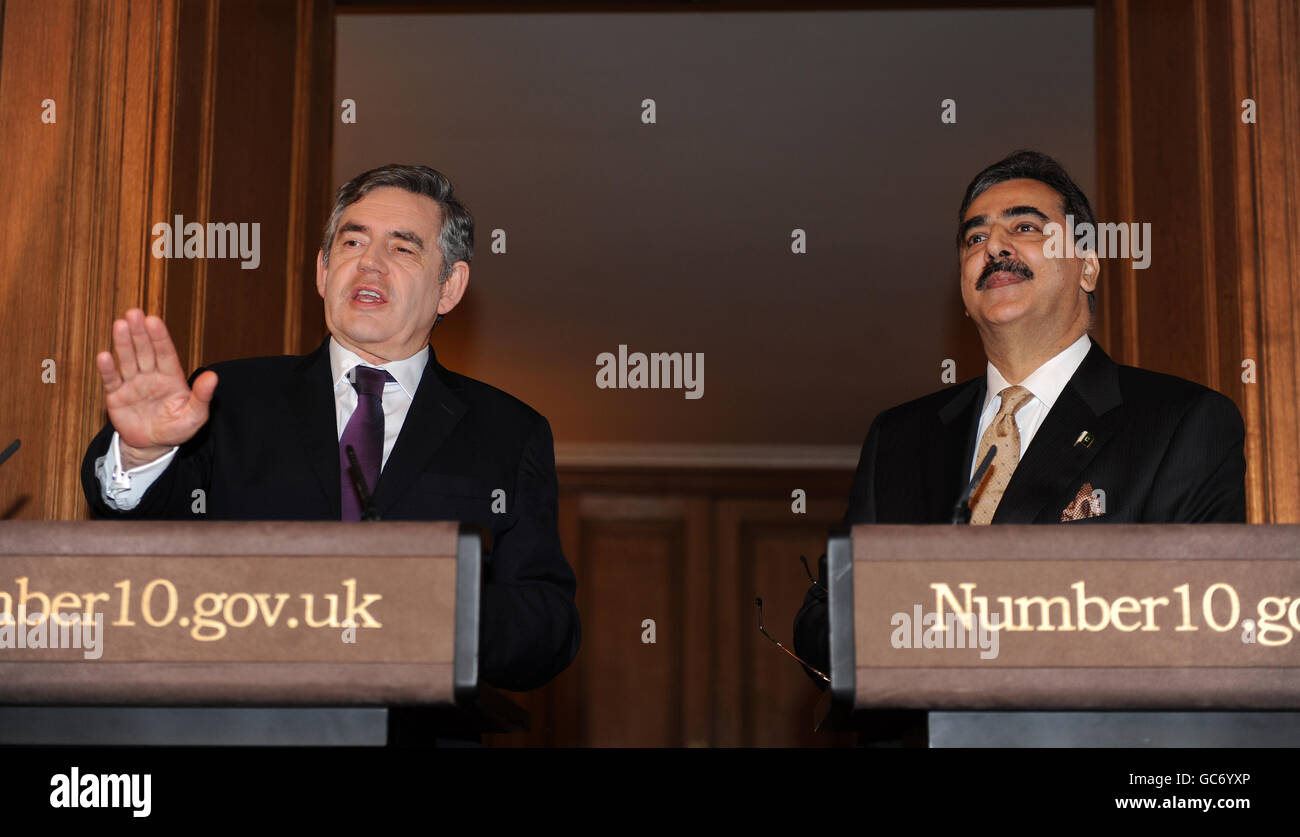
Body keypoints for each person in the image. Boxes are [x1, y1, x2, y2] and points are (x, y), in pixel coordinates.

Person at [81, 164, 580, 699]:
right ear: (323, 271)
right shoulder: (226, 397)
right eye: (352, 242)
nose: (370, 263)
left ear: (449, 287)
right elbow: (141, 545)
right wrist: (142, 451)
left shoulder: (508, 431)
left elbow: (546, 627)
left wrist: (435, 607)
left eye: (403, 249)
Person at [793, 150, 1246, 735]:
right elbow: (821, 621)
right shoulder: (899, 437)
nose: (994, 247)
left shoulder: (1182, 422)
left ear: (1087, 265)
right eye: (974, 238)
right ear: (962, 287)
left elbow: (1197, 632)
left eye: (1025, 227)